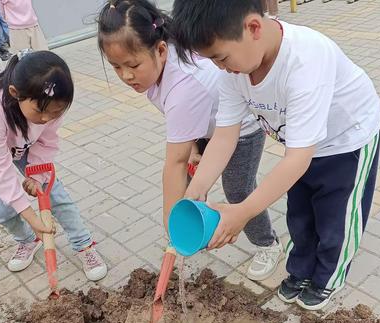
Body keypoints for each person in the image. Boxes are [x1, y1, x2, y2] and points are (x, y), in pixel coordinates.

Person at [172, 0, 380, 310]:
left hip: (346, 140)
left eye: (221, 57)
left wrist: (242, 212)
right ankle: (299, 271)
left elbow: (297, 160)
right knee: (299, 211)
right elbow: (225, 136)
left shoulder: (306, 60)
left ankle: (328, 277)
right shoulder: (233, 73)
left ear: (253, 27)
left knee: (335, 216)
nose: (220, 67)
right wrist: (198, 188)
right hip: (300, 146)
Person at [97, 0, 283, 282]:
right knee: (195, 183)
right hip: (208, 123)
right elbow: (185, 128)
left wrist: (172, 227)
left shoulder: (183, 86)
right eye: (116, 67)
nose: (126, 75)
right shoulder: (159, 64)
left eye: (133, 65)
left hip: (240, 128)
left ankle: (267, 244)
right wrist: (195, 146)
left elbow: (175, 163)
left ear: (160, 50)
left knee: (238, 190)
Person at [0, 50, 107, 281]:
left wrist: (36, 177)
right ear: (15, 93)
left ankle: (84, 245)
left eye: (55, 113)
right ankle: (28, 240)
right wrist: (32, 218)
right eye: (40, 111)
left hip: (25, 144)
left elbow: (47, 142)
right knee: (1, 209)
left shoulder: (53, 106)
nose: (46, 119)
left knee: (55, 195)